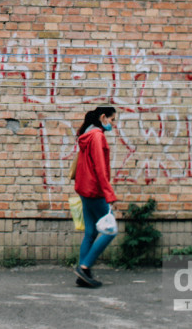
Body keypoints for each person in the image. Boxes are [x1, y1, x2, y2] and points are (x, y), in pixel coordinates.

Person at [72, 105, 118, 288]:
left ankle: (82, 275)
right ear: (103, 117)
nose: (114, 124)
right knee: (111, 230)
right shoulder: (97, 137)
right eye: (113, 120)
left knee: (91, 232)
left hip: (84, 190)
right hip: (95, 191)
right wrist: (109, 194)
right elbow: (99, 168)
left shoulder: (88, 135)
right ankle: (84, 267)